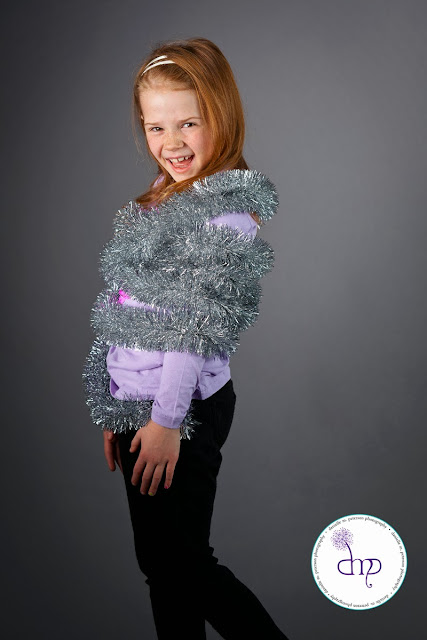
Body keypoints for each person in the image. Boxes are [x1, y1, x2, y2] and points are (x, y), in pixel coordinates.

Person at [83, 37, 290, 640]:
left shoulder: (224, 214)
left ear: (221, 116)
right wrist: (115, 401)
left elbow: (192, 327)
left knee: (186, 566)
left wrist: (166, 420)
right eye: (156, 127)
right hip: (139, 408)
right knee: (163, 570)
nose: (171, 142)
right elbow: (125, 304)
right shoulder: (165, 198)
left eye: (189, 123)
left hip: (181, 410)